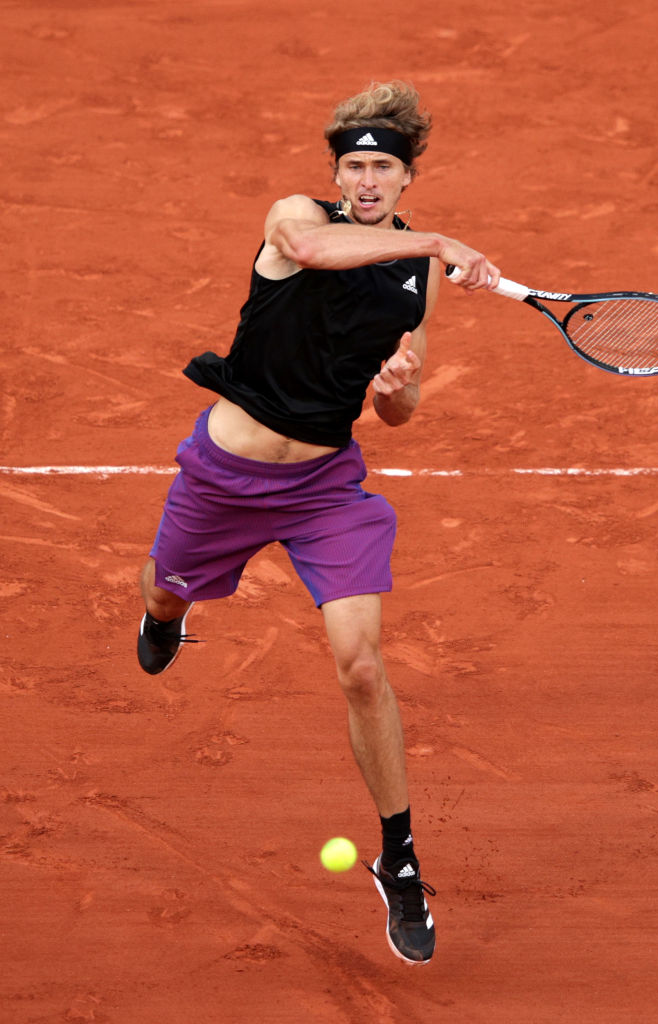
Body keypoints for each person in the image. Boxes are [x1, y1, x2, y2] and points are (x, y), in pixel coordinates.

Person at [137, 80, 500, 965]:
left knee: (363, 666)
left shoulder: (417, 279)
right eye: (354, 167)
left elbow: (401, 408)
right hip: (224, 476)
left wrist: (397, 388)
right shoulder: (296, 218)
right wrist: (438, 238)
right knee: (162, 591)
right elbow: (312, 249)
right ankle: (165, 617)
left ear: (407, 178)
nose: (367, 181)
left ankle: (400, 858)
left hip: (325, 489)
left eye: (384, 168)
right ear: (336, 176)